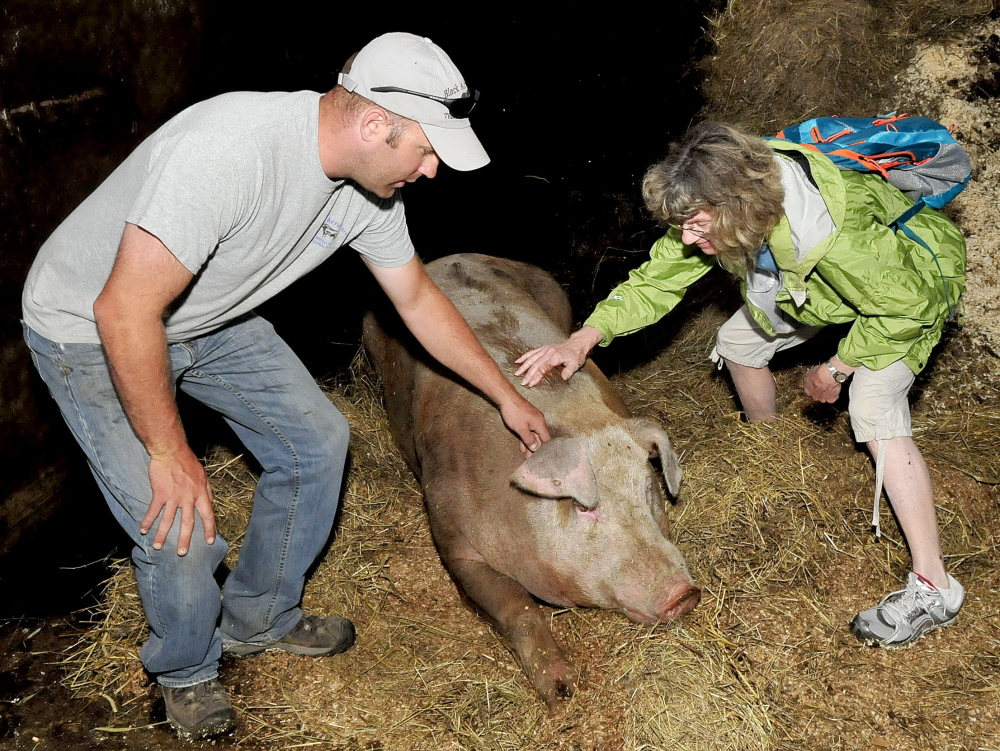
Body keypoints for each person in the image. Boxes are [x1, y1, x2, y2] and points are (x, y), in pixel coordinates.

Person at [21, 32, 549, 740]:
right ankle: (186, 669)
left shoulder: (369, 190)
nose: (429, 172)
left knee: (317, 441)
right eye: (425, 151)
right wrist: (168, 451)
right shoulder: (230, 150)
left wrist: (507, 396)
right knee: (178, 522)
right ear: (372, 125)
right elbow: (124, 309)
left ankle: (258, 616)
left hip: (204, 311)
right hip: (90, 324)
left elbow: (419, 301)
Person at [516, 121, 966, 651]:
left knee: (873, 409)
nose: (686, 237)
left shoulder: (838, 237)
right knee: (739, 343)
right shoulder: (729, 200)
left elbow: (904, 305)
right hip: (811, 282)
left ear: (736, 207)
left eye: (695, 224)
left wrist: (840, 367)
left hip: (908, 287)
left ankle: (935, 586)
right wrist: (583, 339)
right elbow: (658, 279)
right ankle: (775, 450)